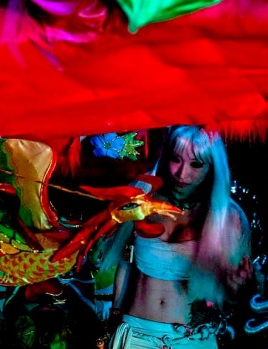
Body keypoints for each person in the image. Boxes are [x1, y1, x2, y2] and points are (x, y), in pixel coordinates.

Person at [98, 125, 254, 349]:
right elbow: (125, 263)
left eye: (196, 164)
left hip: (192, 340)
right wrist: (114, 318)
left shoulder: (227, 218)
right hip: (136, 334)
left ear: (212, 167)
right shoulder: (142, 200)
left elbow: (233, 295)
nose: (182, 174)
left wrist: (236, 284)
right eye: (175, 159)